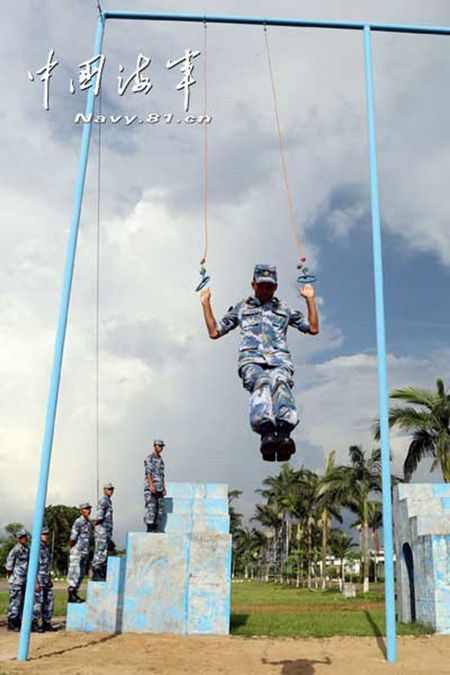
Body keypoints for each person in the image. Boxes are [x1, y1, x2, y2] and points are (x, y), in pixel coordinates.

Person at [199, 264, 319, 462]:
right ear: (253, 284)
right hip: (252, 360)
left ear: (276, 287)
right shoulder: (242, 307)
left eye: (269, 286)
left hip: (279, 360)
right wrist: (205, 304)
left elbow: (313, 328)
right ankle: (266, 432)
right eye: (261, 285)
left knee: (280, 382)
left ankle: (283, 434)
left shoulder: (284, 308)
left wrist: (310, 299)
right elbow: (214, 331)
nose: (265, 290)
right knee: (261, 381)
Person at [32, 526, 57, 632]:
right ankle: (34, 623)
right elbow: (33, 567)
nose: (46, 536)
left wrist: (49, 578)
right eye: (44, 534)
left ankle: (46, 622)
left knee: (49, 601)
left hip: (46, 579)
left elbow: (47, 565)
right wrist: (36, 582)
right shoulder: (35, 548)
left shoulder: (46, 549)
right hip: (39, 579)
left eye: (47, 534)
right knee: (38, 602)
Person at [67, 502, 92, 603]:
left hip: (84, 552)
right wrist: (73, 548)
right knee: (75, 572)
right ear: (81, 510)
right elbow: (73, 538)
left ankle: (75, 593)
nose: (88, 511)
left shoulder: (88, 523)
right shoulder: (78, 522)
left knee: (81, 573)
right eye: (85, 509)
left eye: (89, 508)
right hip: (77, 551)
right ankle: (71, 593)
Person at [5, 529, 29, 631]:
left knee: (22, 601)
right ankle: (12, 621)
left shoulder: (27, 549)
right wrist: (12, 578)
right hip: (16, 580)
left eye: (24, 536)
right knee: (15, 601)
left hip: (24, 580)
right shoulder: (16, 549)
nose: (23, 539)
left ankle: (18, 621)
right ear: (18, 539)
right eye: (21, 537)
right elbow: (9, 566)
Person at [92, 482, 115, 581]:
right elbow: (100, 517)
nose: (111, 491)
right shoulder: (103, 501)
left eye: (112, 489)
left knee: (104, 551)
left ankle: (101, 571)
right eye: (109, 489)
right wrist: (96, 526)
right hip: (102, 529)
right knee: (100, 551)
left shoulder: (109, 501)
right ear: (104, 490)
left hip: (106, 530)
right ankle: (97, 572)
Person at [144, 439, 166, 533]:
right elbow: (148, 473)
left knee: (159, 510)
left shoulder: (161, 460)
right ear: (154, 446)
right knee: (151, 508)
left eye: (161, 446)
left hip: (160, 488)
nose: (160, 448)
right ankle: (149, 528)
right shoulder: (150, 458)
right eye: (159, 446)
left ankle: (156, 528)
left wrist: (164, 487)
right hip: (151, 488)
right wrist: (151, 485)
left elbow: (162, 475)